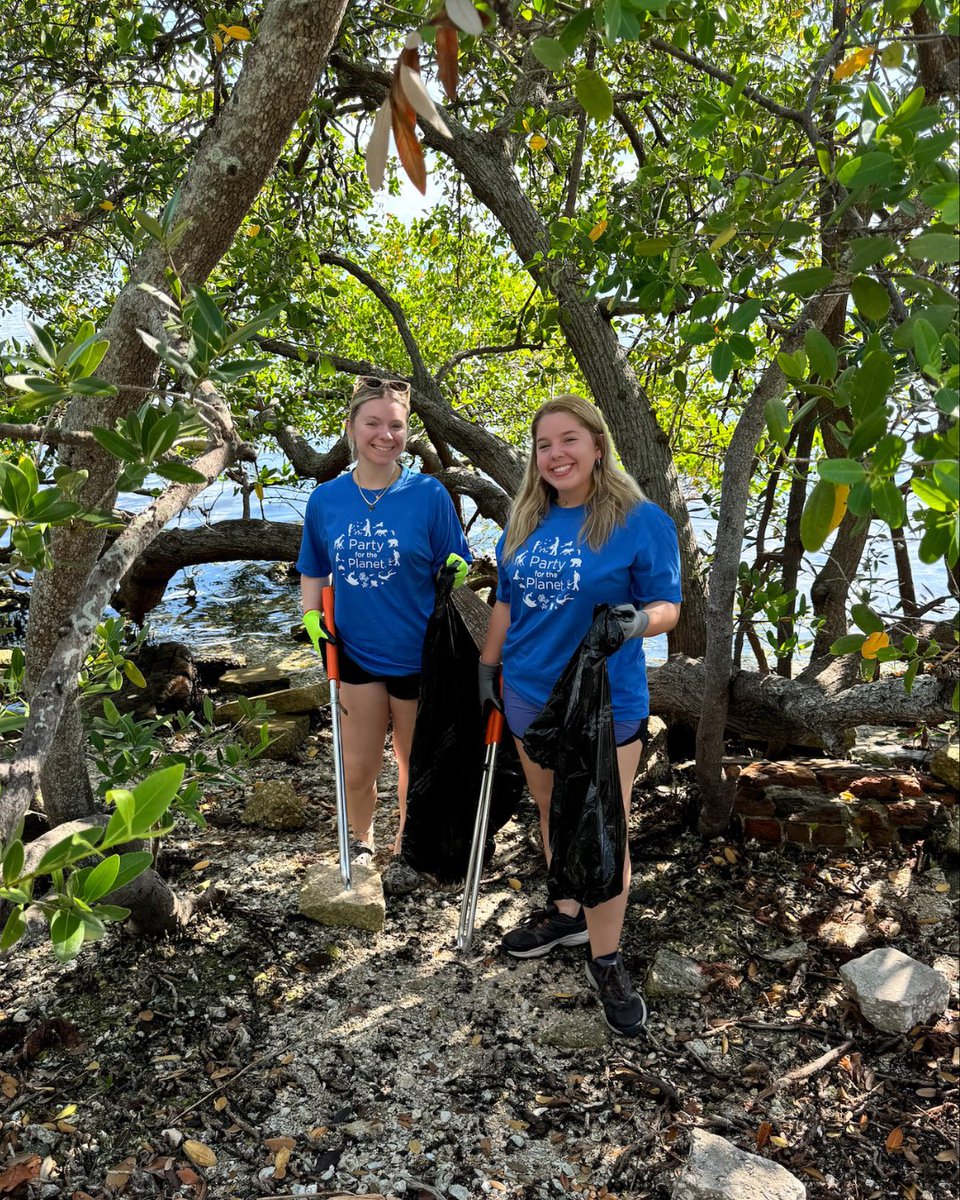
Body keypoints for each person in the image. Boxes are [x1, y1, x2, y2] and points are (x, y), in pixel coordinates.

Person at [478, 394, 681, 1036]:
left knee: (602, 824)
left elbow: (667, 605)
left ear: (597, 445)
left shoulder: (639, 520)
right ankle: (566, 912)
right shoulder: (525, 522)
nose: (556, 454)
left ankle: (608, 956)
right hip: (529, 694)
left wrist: (636, 622)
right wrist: (488, 667)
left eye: (569, 440)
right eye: (544, 445)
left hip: (603, 701)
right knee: (550, 810)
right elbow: (506, 606)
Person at [297, 375, 470, 864]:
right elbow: (313, 568)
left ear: (407, 431)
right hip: (355, 653)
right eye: (373, 423)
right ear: (351, 427)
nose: (385, 435)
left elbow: (454, 562)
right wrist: (312, 617)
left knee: (414, 763)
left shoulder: (430, 495)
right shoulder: (326, 499)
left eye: (396, 425)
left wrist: (455, 569)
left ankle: (408, 841)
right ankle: (362, 839)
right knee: (358, 766)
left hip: (420, 656)